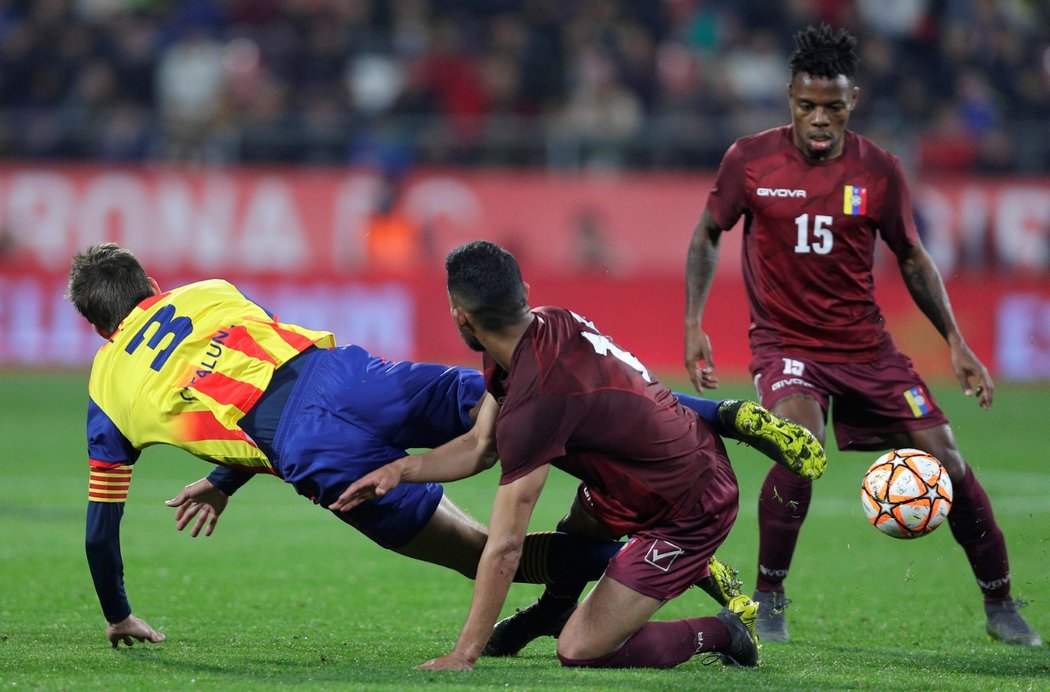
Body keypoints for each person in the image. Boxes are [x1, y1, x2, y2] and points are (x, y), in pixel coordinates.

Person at [68, 242, 804, 650]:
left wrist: (117, 613)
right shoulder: (206, 292)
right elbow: (257, 373)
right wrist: (225, 480)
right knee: (533, 392)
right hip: (353, 376)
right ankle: (709, 422)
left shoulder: (108, 385)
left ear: (100, 327)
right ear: (152, 284)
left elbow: (104, 531)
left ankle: (646, 559)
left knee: (477, 548)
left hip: (310, 447)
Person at [683, 24, 1041, 647]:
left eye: (833, 107)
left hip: (866, 349)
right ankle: (769, 596)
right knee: (798, 447)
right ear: (789, 98)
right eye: (807, 106)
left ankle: (1001, 602)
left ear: (854, 100)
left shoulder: (879, 169)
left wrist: (956, 341)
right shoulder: (750, 160)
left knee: (950, 463)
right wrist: (693, 324)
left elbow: (912, 256)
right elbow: (708, 233)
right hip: (786, 345)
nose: (819, 120)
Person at [329, 240, 828, 670]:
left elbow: (505, 548)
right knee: (581, 536)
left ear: (460, 315)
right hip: (632, 476)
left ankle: (726, 631)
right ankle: (554, 608)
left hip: (689, 504)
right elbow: (479, 447)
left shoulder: (537, 395)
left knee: (583, 651)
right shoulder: (545, 323)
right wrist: (401, 468)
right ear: (522, 294)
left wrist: (465, 652)